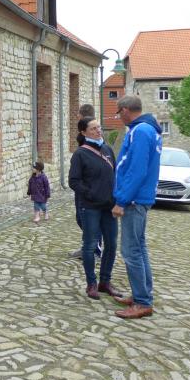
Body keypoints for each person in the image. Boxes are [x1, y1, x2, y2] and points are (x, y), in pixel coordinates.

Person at [111, 95, 162, 319]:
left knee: (131, 251)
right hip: (140, 198)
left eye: (118, 113)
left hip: (134, 200)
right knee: (139, 249)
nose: (119, 117)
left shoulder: (140, 131)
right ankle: (142, 294)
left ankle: (142, 302)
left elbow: (137, 170)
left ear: (125, 110)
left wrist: (121, 200)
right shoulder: (148, 130)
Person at [68, 118, 123, 300]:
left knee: (112, 244)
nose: (98, 130)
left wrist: (116, 198)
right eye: (93, 128)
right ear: (84, 132)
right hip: (90, 207)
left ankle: (105, 282)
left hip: (109, 206)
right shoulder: (80, 154)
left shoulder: (107, 150)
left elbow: (115, 174)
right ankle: (91, 283)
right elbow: (74, 181)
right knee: (90, 245)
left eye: (99, 127)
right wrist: (90, 194)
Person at [70, 104, 102, 260]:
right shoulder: (87, 135)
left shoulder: (90, 137)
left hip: (87, 185)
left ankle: (94, 249)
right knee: (83, 218)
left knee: (87, 219)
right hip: (85, 184)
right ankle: (88, 247)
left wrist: (88, 190)